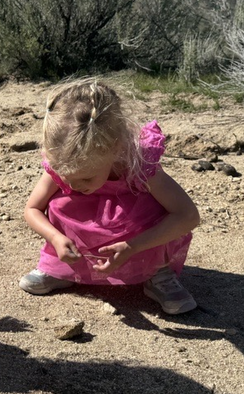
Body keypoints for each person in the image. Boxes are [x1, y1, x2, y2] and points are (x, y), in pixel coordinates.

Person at [19, 78, 201, 314]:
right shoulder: (64, 160)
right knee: (61, 205)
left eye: (85, 178)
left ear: (114, 148)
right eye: (65, 177)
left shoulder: (140, 163)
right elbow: (32, 209)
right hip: (87, 237)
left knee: (148, 210)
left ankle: (156, 272)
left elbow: (187, 216)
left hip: (133, 240)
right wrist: (54, 237)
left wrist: (133, 246)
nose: (73, 185)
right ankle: (64, 269)